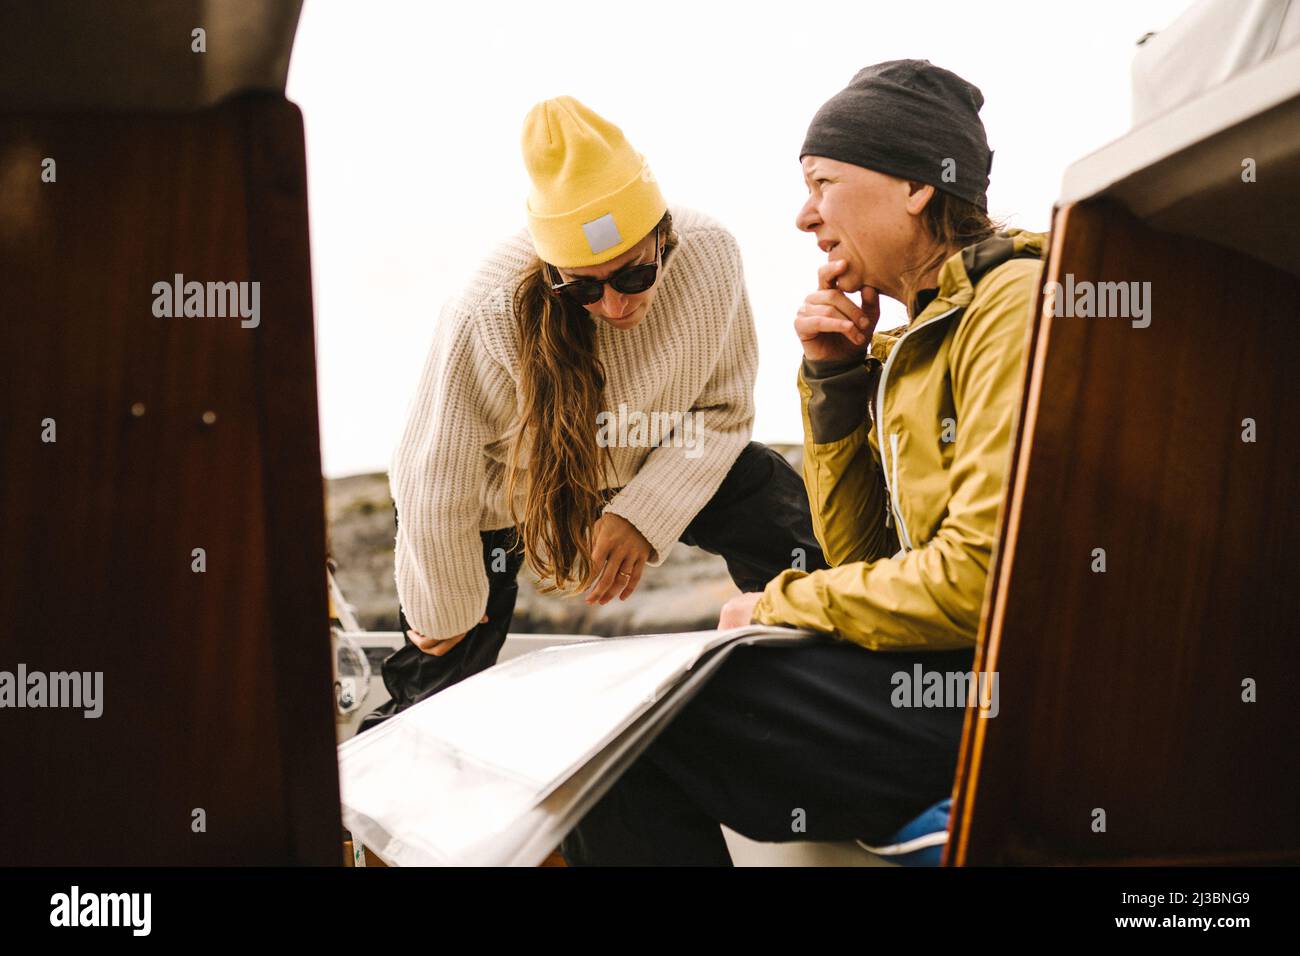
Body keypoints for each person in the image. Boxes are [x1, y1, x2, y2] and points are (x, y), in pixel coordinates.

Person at [560, 60, 1047, 864]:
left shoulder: (1011, 307)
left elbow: (980, 581)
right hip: (942, 678)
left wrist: (777, 603)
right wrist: (832, 384)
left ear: (917, 185)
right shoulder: (913, 344)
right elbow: (861, 561)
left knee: (625, 733)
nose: (804, 215)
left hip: (1003, 698)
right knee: (617, 713)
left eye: (822, 181)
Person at [357, 96, 826, 734]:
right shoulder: (487, 307)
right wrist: (443, 613)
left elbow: (722, 411)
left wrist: (643, 513)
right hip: (508, 490)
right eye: (582, 287)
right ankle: (376, 813)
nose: (611, 306)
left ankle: (820, 690)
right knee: (441, 675)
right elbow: (435, 469)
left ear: (665, 236)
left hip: (658, 454)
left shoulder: (710, 254)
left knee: (772, 500)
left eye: (632, 278)